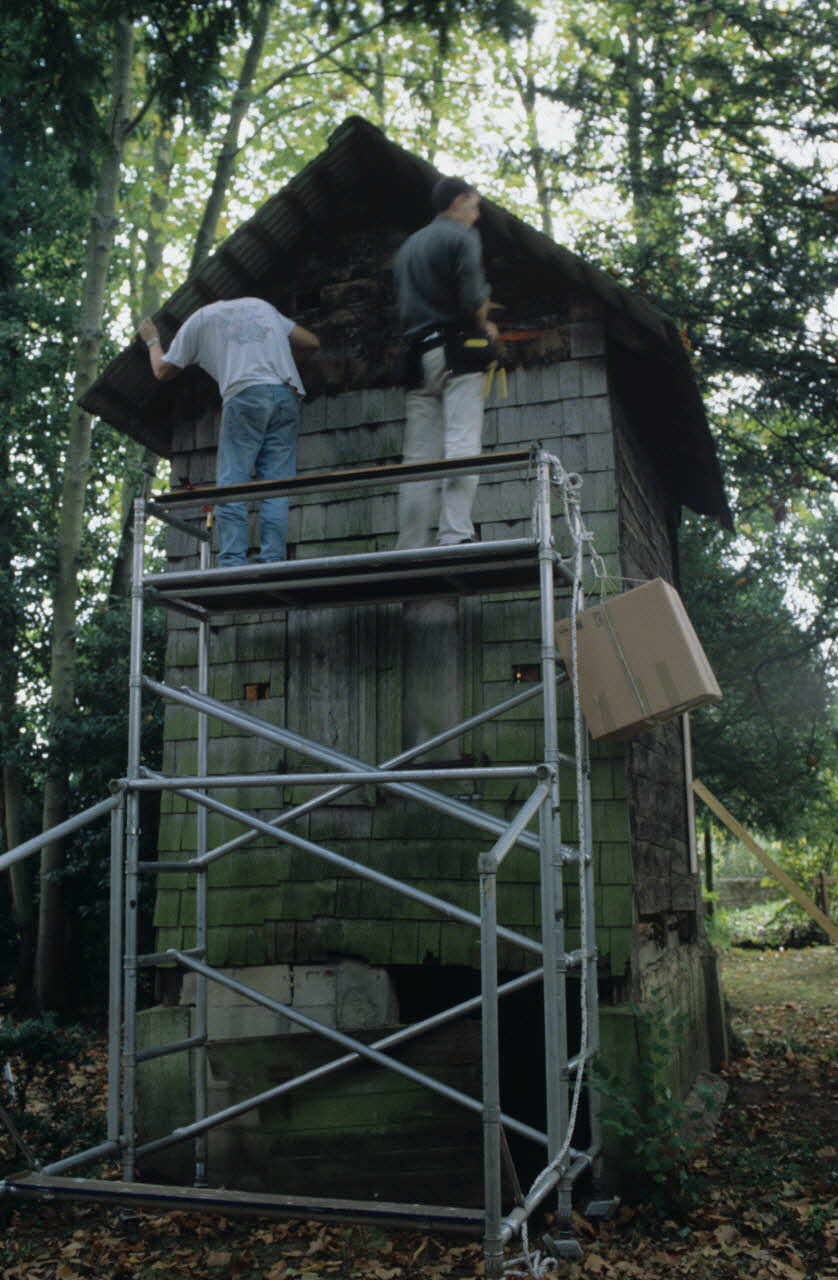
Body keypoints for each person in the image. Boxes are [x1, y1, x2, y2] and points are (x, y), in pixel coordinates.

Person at [138, 298, 320, 566]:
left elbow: (162, 370)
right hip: (286, 394)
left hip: (246, 394)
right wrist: (278, 354)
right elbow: (311, 342)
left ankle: (233, 560)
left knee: (232, 482)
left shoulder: (199, 320)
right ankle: (273, 557)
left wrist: (152, 341)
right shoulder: (261, 306)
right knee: (277, 484)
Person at [393, 176, 498, 549]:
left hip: (418, 356)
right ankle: (455, 535)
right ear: (458, 200)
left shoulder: (408, 248)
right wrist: (487, 327)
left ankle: (410, 546)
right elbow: (472, 301)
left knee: (419, 459)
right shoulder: (461, 237)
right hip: (457, 352)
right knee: (461, 440)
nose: (477, 212)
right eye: (474, 204)